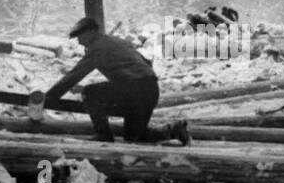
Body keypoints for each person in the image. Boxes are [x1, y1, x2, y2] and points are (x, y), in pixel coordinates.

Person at [44, 17, 189, 145]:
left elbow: (75, 74)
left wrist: (50, 97)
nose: (79, 42)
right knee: (134, 136)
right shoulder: (118, 42)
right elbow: (146, 64)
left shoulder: (98, 47)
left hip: (135, 89)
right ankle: (174, 131)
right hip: (150, 89)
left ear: (91, 32)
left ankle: (103, 135)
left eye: (80, 37)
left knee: (90, 92)